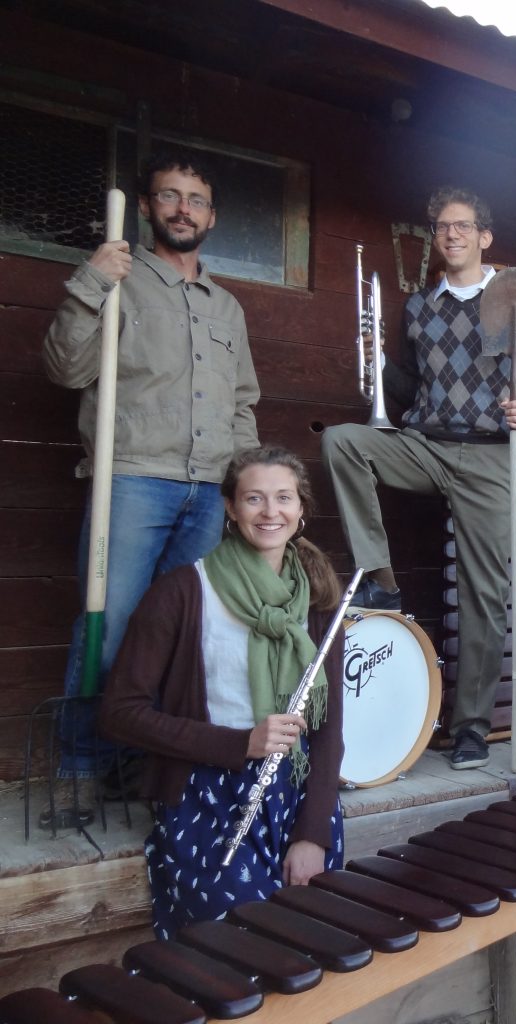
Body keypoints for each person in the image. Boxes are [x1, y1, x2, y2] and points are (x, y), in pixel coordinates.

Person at [41, 149, 259, 823]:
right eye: (169, 197)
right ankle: (79, 769)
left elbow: (243, 399)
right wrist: (88, 283)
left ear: (212, 215)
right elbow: (64, 368)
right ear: (147, 207)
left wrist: (245, 480)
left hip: (206, 489)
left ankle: (141, 761)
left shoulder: (226, 308)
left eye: (195, 200)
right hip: (134, 478)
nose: (182, 210)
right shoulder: (118, 279)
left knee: (178, 633)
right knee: (107, 627)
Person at [321, 186, 516, 771]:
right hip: (425, 446)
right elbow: (411, 394)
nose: (451, 235)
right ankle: (381, 578)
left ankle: (471, 728)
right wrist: (380, 367)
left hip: (489, 459)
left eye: (463, 226)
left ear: (485, 236)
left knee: (484, 594)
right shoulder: (420, 308)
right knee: (340, 441)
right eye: (443, 227)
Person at [99, 446, 344, 939]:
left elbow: (329, 729)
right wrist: (239, 744)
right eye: (254, 498)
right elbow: (120, 713)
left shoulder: (319, 599)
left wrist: (313, 832)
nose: (270, 512)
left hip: (297, 793)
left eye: (283, 498)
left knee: (313, 944)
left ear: (300, 511)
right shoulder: (182, 592)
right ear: (230, 508)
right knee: (236, 949)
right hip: (204, 795)